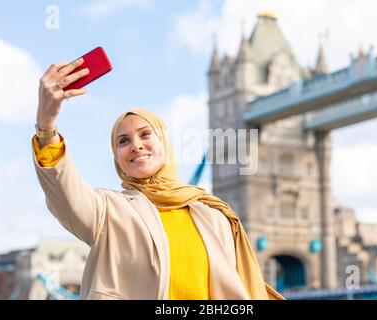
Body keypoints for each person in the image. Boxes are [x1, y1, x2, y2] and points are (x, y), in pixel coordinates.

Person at [33, 58, 284, 300]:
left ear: (164, 143)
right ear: (116, 157)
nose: (136, 146)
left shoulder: (214, 214)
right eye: (123, 141)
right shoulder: (106, 212)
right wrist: (47, 125)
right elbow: (64, 193)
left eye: (145, 134)